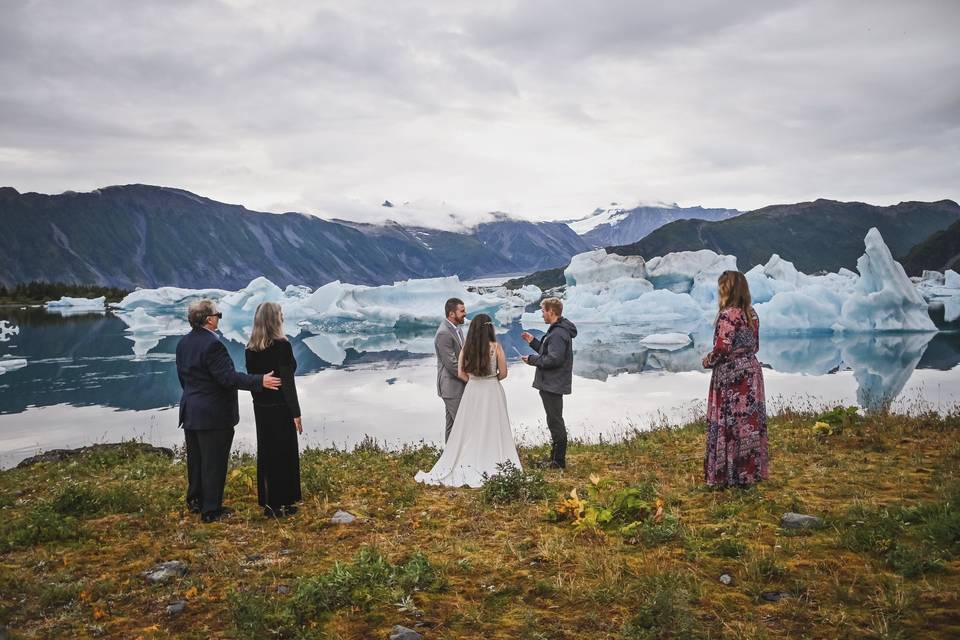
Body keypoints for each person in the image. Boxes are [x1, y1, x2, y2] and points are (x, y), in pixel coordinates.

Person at [176, 299, 281, 523]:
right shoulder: (212, 345)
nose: (219, 318)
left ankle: (195, 501)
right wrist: (259, 381)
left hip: (191, 410)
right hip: (213, 414)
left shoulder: (184, 343)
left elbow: (184, 378)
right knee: (214, 462)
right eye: (218, 315)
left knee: (196, 460)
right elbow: (227, 378)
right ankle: (211, 511)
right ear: (208, 319)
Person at [416, 313, 521, 488]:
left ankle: (468, 459)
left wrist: (473, 381)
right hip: (492, 391)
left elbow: (460, 373)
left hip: (472, 390)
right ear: (489, 328)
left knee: (470, 427)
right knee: (493, 425)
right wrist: (491, 380)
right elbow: (503, 373)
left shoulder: (466, 348)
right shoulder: (496, 347)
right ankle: (494, 457)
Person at [702, 270, 768, 487]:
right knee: (748, 422)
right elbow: (755, 345)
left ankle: (727, 475)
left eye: (722, 286)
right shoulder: (752, 313)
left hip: (731, 375)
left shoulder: (728, 315)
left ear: (728, 289)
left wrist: (708, 360)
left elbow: (722, 349)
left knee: (729, 424)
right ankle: (748, 474)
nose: (719, 290)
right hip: (751, 370)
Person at [245, 302, 303, 517]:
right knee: (284, 452)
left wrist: (259, 400)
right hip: (281, 407)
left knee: (267, 452)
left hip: (261, 407)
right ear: (274, 319)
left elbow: (253, 381)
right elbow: (287, 383)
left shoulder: (250, 349)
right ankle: (285, 501)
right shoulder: (282, 346)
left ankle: (270, 502)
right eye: (280, 314)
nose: (283, 317)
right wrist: (296, 413)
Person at [521, 297, 577, 469]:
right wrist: (533, 342)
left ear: (551, 312)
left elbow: (553, 359)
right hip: (552, 383)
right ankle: (554, 459)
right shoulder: (557, 331)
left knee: (555, 421)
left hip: (553, 383)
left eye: (543, 310)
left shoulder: (558, 333)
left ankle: (558, 462)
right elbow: (549, 352)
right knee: (553, 419)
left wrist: (531, 360)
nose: (542, 314)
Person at [435, 297, 467, 442]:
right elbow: (451, 364)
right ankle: (462, 460)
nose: (465, 313)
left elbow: (463, 356)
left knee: (453, 426)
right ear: (451, 313)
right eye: (462, 311)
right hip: (451, 387)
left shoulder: (457, 330)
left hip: (456, 386)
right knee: (463, 424)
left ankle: (449, 459)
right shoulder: (444, 333)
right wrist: (470, 378)